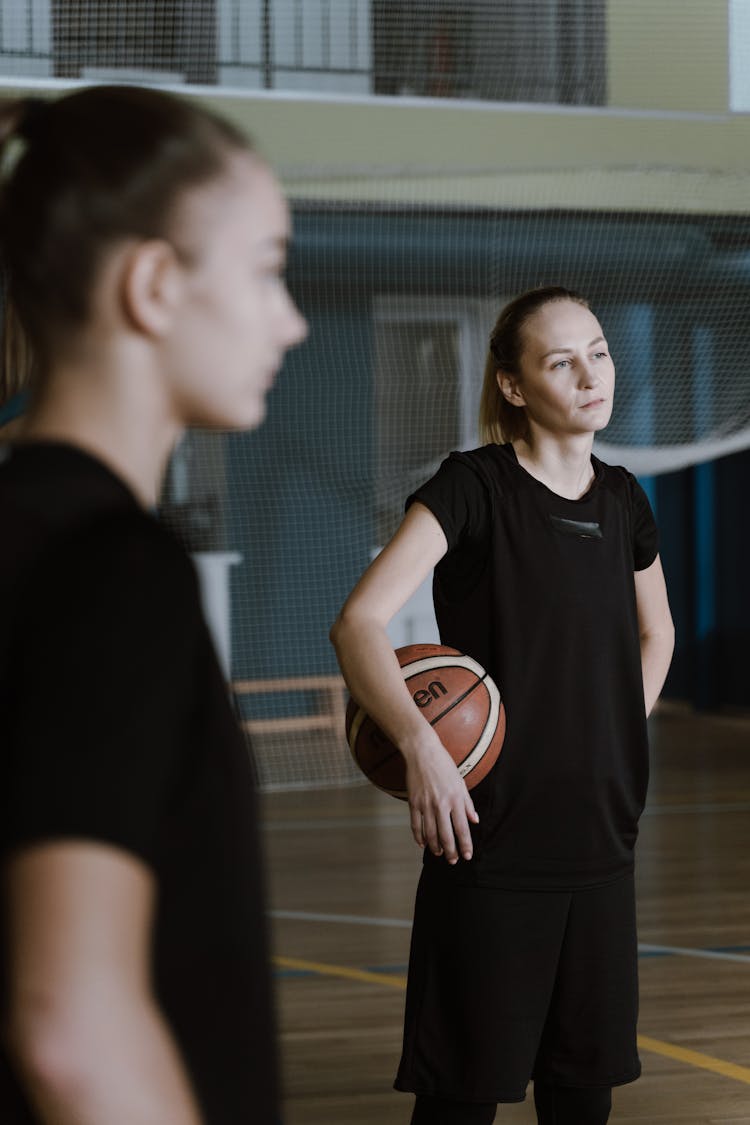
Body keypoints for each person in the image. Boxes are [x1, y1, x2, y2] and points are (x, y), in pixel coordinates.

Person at [0, 87, 307, 1124]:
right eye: (267, 271)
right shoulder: (117, 566)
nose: (293, 319)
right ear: (154, 284)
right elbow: (73, 1026)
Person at [330, 286, 674, 1125]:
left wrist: (610, 739)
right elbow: (359, 622)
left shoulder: (624, 497)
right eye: (562, 360)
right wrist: (421, 747)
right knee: (462, 1098)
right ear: (515, 386)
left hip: (601, 832)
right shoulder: (473, 487)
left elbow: (655, 635)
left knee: (581, 1092)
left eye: (598, 350)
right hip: (487, 836)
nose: (592, 373)